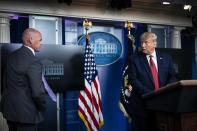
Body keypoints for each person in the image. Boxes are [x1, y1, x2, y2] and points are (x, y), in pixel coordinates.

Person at [128, 32, 176, 131]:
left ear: (155, 44)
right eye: (141, 43)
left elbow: (172, 76)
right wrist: (152, 94)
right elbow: (133, 80)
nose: (143, 46)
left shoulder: (166, 57)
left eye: (146, 43)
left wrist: (165, 91)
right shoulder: (134, 59)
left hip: (163, 106)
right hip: (141, 108)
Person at [0, 28, 46, 131]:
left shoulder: (11, 56)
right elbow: (37, 92)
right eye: (40, 40)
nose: (42, 43)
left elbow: (4, 84)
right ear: (30, 40)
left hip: (10, 112)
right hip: (27, 114)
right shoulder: (34, 61)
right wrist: (42, 107)